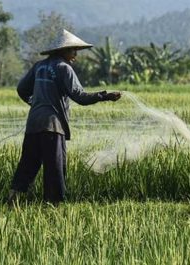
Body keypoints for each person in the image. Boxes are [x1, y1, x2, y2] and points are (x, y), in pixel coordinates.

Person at [8, 29, 121, 204]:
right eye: (72, 50)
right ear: (63, 51)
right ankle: (54, 207)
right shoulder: (64, 68)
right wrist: (105, 96)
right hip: (53, 126)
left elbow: (22, 89)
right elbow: (80, 97)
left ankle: (12, 199)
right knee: (55, 169)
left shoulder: (39, 66)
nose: (75, 54)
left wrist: (36, 104)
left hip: (33, 124)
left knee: (27, 164)